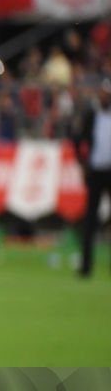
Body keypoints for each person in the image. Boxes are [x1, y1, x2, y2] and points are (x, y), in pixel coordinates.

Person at [72, 78, 111, 277]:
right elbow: (77, 138)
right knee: (90, 219)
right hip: (96, 171)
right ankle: (86, 266)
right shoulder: (92, 114)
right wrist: (82, 162)